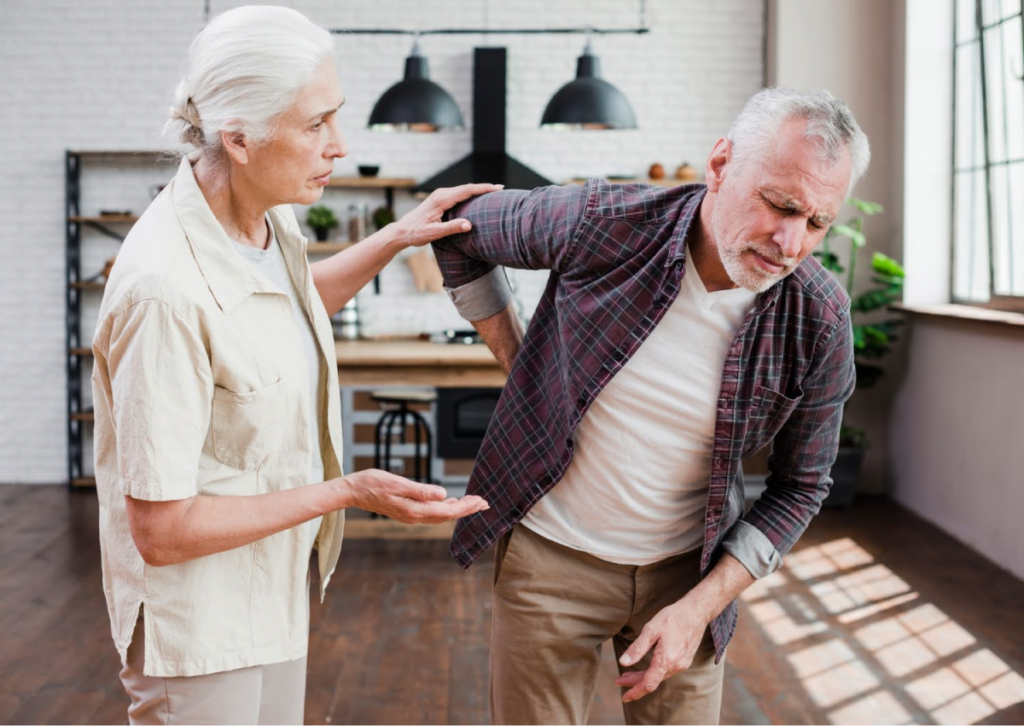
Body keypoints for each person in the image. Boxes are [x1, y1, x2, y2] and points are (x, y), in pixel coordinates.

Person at [91, 6, 496, 724]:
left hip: (270, 590)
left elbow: (286, 302)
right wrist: (344, 491)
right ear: (238, 138)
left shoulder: (262, 218)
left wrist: (395, 237)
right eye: (316, 125)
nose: (338, 145)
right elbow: (161, 529)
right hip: (199, 627)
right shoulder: (163, 291)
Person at [432, 87, 870, 725]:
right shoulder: (604, 220)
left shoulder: (820, 316)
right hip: (550, 561)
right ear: (721, 165)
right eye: (780, 205)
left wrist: (698, 610)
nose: (790, 241)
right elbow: (458, 227)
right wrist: (521, 361)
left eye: (817, 223)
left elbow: (801, 487)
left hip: (689, 575)